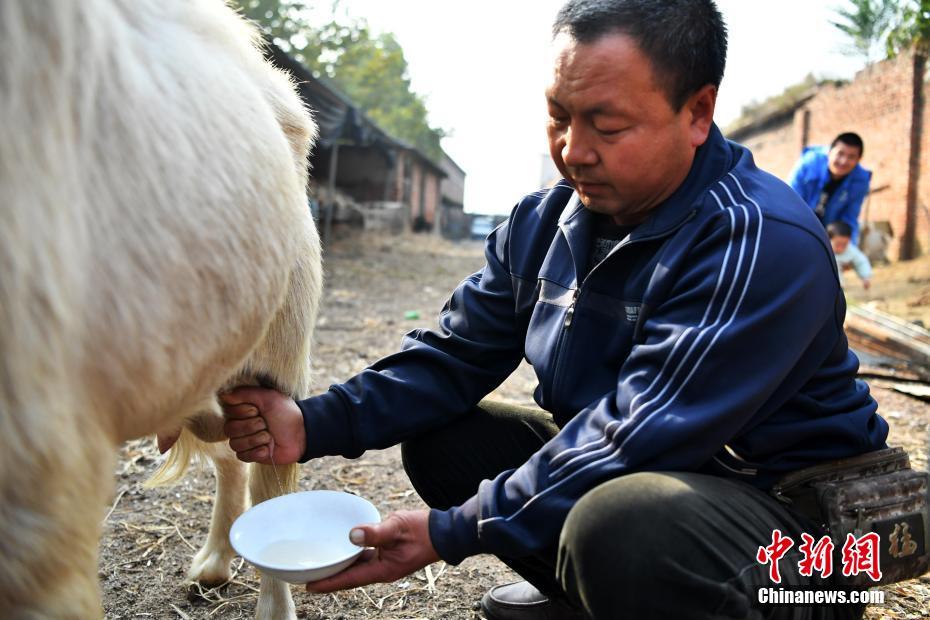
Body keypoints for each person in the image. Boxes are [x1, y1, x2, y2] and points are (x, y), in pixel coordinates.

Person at [221, 1, 889, 618]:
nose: (573, 150)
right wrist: (312, 422)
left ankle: (644, 578)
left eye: (608, 125)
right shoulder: (547, 223)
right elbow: (453, 355)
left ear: (698, 112)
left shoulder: (759, 241)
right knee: (446, 439)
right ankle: (591, 593)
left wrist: (452, 531)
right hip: (665, 484)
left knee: (621, 525)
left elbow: (636, 435)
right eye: (559, 116)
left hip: (797, 533)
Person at [787, 132, 871, 245]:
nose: (843, 161)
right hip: (797, 225)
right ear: (829, 152)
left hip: (826, 235)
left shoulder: (860, 181)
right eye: (840, 154)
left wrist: (849, 251)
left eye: (851, 157)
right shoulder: (808, 163)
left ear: (858, 159)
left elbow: (850, 218)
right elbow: (789, 201)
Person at [827, 220, 873, 290]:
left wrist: (866, 277)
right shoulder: (824, 250)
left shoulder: (850, 250)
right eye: (838, 244)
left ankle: (840, 287)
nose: (841, 248)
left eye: (844, 245)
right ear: (828, 240)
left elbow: (861, 261)